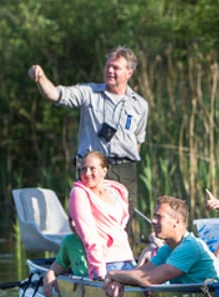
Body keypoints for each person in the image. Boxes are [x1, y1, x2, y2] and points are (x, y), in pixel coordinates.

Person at [28, 46, 149, 230]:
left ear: (129, 73)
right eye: (108, 66)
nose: (110, 71)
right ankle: (85, 258)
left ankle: (122, 259)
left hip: (124, 171)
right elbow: (54, 95)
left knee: (122, 227)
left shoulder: (140, 105)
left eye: (116, 68)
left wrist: (126, 163)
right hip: (91, 170)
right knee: (86, 224)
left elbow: (138, 140)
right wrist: (41, 77)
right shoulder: (89, 93)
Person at [103, 195, 219, 297]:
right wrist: (120, 281)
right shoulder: (167, 249)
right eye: (154, 216)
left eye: (159, 217)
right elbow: (141, 272)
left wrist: (113, 274)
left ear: (177, 221)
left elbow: (148, 279)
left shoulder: (189, 247)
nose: (153, 221)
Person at [68, 151, 135, 280]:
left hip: (127, 258)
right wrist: (99, 270)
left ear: (104, 171)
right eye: (83, 169)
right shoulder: (79, 193)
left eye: (92, 169)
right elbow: (89, 236)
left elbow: (120, 226)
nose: (87, 173)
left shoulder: (116, 191)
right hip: (107, 263)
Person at [42, 219, 89, 297]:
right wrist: (50, 274)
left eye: (76, 217)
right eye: (70, 220)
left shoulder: (106, 238)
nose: (73, 224)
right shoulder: (68, 242)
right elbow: (58, 265)